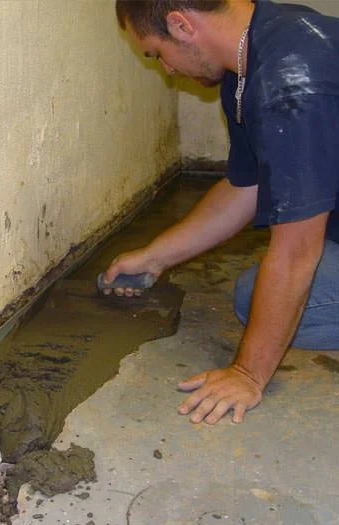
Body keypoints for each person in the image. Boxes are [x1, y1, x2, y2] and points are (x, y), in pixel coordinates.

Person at [106, 0, 339, 425]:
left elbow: (297, 251)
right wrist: (155, 256)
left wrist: (247, 374)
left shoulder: (289, 79)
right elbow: (244, 187)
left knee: (268, 304)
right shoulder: (254, 57)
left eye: (158, 53)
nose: (168, 70)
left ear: (180, 24)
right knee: (259, 296)